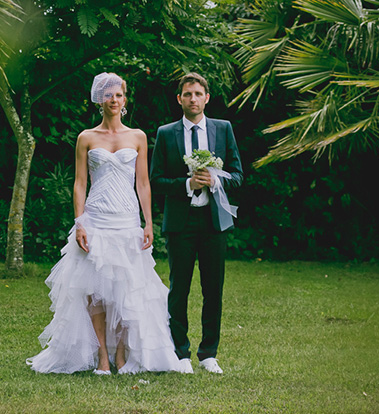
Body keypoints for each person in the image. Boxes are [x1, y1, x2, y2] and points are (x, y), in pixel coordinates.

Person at [27, 73, 184, 375]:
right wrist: (80, 223)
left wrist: (148, 223)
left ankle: (122, 354)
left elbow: (143, 183)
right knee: (94, 290)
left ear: (125, 100)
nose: (114, 100)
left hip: (126, 220)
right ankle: (102, 355)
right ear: (99, 99)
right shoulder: (86, 137)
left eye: (119, 95)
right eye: (108, 95)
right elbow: (79, 183)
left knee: (126, 288)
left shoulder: (137, 136)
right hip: (96, 219)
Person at [150, 72, 243, 374]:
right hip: (181, 222)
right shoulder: (166, 133)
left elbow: (239, 176)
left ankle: (208, 354)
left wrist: (214, 181)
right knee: (179, 289)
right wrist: (188, 184)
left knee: (213, 288)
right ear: (179, 99)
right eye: (187, 94)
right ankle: (180, 354)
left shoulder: (223, 129)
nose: (193, 99)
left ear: (207, 98)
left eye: (198, 94)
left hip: (214, 222)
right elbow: (155, 181)